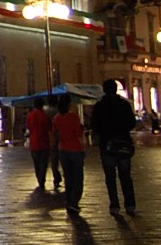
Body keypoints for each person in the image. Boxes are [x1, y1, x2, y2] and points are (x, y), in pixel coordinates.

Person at [89, 78, 137, 215]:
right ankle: (130, 204)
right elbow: (132, 123)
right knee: (125, 176)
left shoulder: (99, 106)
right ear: (116, 89)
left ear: (104, 90)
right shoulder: (124, 105)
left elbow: (94, 125)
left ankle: (114, 205)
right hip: (123, 143)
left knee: (110, 177)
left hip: (107, 144)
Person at [52, 93, 86, 216]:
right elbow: (78, 133)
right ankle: (74, 202)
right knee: (77, 177)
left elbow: (56, 134)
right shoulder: (73, 117)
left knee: (68, 176)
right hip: (75, 149)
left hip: (63, 149)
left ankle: (69, 199)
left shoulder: (56, 118)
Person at [25, 96, 56, 190]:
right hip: (44, 143)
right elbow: (50, 129)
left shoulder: (30, 115)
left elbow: (28, 128)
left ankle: (39, 179)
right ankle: (42, 180)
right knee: (43, 163)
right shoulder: (45, 116)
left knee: (36, 164)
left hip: (34, 143)